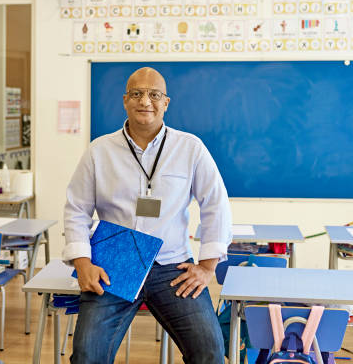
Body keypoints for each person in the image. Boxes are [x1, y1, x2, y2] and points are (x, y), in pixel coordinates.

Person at [63, 67, 232, 364]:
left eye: (154, 95)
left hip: (171, 266)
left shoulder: (190, 148)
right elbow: (76, 208)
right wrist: (83, 262)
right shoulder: (99, 150)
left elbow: (216, 204)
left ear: (166, 102)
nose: (146, 101)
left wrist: (207, 267)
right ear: (125, 100)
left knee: (209, 350)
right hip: (114, 267)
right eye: (137, 94)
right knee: (87, 355)